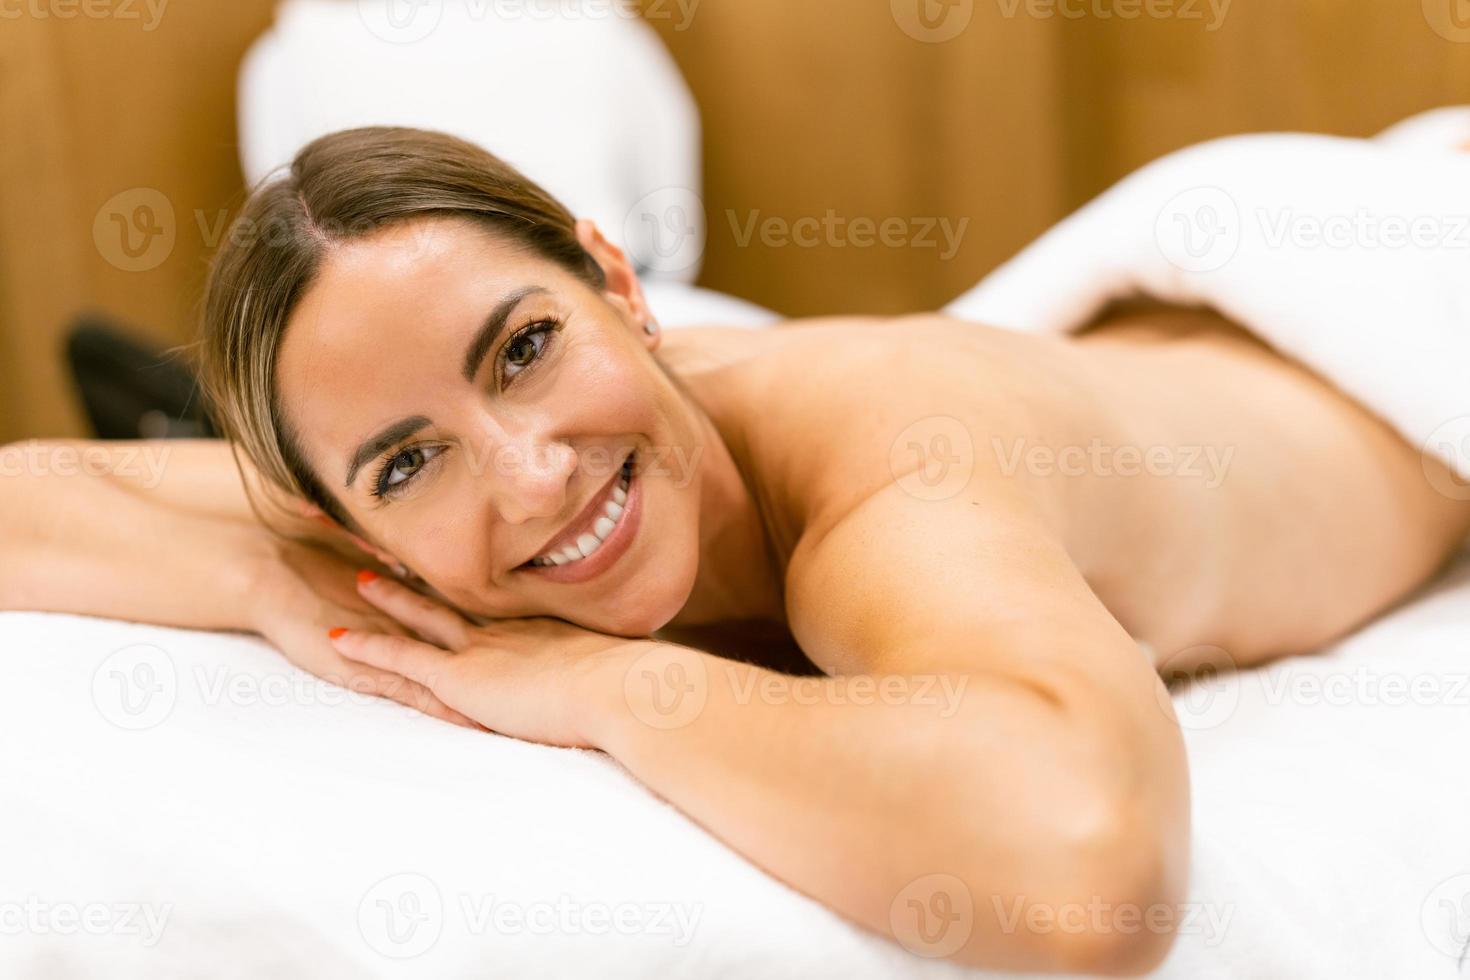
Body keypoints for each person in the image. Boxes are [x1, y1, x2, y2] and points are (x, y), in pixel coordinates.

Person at [6, 126, 1469, 975]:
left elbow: (1088, 877)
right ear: (342, 523)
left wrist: (600, 692)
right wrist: (265, 586)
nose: (525, 478)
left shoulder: (889, 480)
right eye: (408, 458)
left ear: (619, 287)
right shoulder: (340, 527)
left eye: (524, 349)